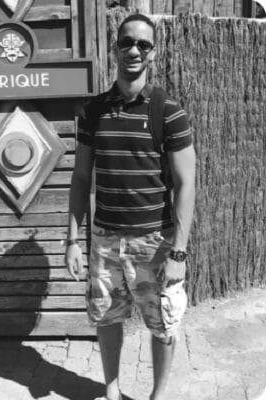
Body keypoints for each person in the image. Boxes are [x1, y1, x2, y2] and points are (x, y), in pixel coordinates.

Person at [65, 14, 196, 400]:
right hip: (105, 241)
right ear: (115, 48)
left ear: (153, 53)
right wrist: (73, 240)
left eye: (143, 44)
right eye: (127, 42)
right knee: (106, 319)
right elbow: (81, 179)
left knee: (163, 325)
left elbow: (187, 185)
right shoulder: (92, 112)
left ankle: (157, 396)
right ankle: (112, 392)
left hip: (154, 242)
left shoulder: (169, 112)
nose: (134, 50)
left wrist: (179, 253)